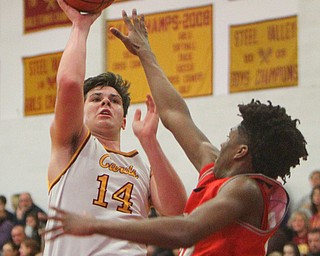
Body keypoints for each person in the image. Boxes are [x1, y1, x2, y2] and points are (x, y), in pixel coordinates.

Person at [45, 8, 308, 256]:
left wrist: (98, 225)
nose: (224, 138)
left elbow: (184, 228)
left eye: (231, 135)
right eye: (96, 99)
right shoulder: (214, 166)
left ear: (241, 151)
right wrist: (145, 53)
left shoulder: (246, 190)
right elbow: (174, 114)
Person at [43, 1, 186, 255]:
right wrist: (80, 26)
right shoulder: (73, 145)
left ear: (123, 120)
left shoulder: (142, 165)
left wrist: (150, 142)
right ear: (81, 112)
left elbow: (177, 211)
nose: (106, 101)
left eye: (114, 100)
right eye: (96, 98)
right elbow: (68, 83)